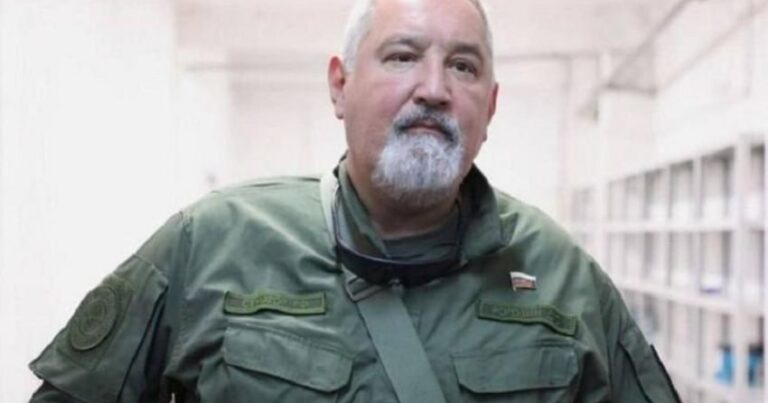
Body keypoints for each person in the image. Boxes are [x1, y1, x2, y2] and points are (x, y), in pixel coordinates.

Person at [29, 0, 681, 401]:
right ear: (339, 86)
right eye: (402, 56)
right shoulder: (211, 243)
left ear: (490, 106)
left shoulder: (563, 276)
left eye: (463, 66)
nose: (434, 88)